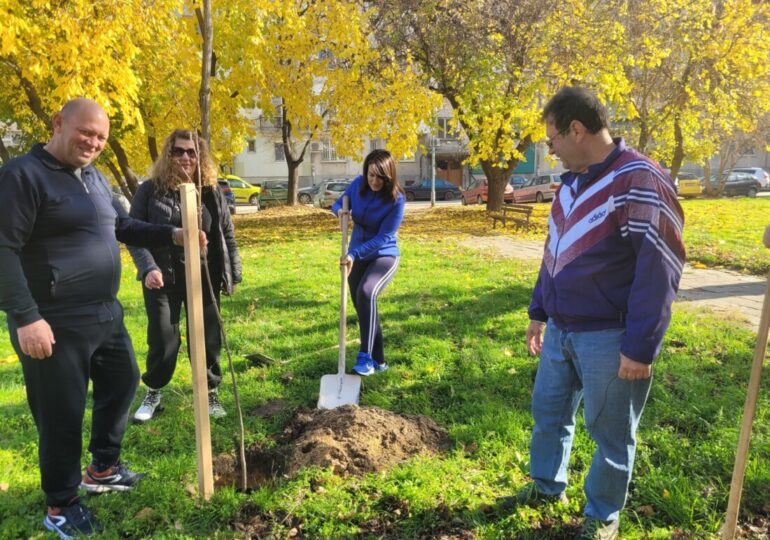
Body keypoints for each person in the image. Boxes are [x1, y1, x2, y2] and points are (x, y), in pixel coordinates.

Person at [0, 98, 202, 539]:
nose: (93, 142)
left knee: (123, 382)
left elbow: (122, 226)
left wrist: (172, 233)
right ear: (58, 123)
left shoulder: (94, 176)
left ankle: (102, 469)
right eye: (85, 132)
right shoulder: (22, 176)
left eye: (101, 137)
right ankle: (61, 503)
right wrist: (26, 316)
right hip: (52, 320)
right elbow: (3, 250)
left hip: (104, 312)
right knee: (62, 415)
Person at [499, 87, 685, 540]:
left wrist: (640, 348)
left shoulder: (639, 179)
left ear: (576, 130)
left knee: (611, 433)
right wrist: (538, 312)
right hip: (561, 330)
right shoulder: (570, 185)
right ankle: (546, 487)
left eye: (552, 140)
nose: (551, 149)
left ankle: (602, 515)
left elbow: (660, 265)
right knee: (549, 413)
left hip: (611, 336)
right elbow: (554, 254)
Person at [128, 129, 241, 422]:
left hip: (204, 275)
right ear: (168, 155)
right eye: (178, 151)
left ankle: (210, 392)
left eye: (191, 152)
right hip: (163, 277)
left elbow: (225, 232)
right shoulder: (149, 190)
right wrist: (148, 267)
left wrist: (233, 271)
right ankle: (154, 389)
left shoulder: (211, 190)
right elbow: (134, 233)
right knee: (164, 340)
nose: (185, 158)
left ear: (199, 155)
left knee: (207, 338)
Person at [331, 149, 405, 376]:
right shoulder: (358, 185)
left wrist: (355, 254)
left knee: (366, 292)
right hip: (355, 255)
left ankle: (365, 357)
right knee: (364, 306)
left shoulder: (396, 200)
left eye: (380, 177)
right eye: (371, 175)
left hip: (384, 254)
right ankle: (380, 362)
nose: (374, 181)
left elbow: (383, 237)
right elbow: (338, 203)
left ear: (389, 176)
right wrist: (339, 212)